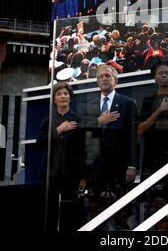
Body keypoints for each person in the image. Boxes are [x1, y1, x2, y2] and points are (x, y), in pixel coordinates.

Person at [81, 64, 138, 194]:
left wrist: (132, 165)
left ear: (115, 80)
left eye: (108, 76)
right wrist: (98, 121)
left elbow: (133, 136)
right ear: (97, 82)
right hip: (95, 167)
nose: (104, 79)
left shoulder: (128, 103)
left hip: (120, 166)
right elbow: (84, 134)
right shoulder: (90, 105)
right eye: (101, 76)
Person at [36, 82, 86, 231]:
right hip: (49, 173)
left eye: (65, 94)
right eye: (59, 94)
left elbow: (83, 150)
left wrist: (83, 176)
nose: (62, 96)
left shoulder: (78, 119)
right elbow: (40, 143)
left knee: (69, 213)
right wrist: (59, 129)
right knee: (48, 213)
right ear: (54, 99)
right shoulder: (48, 120)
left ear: (70, 98)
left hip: (71, 174)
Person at [138, 59, 168, 179]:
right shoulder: (148, 101)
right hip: (152, 157)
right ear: (155, 77)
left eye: (167, 73)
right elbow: (140, 129)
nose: (164, 75)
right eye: (160, 73)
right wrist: (160, 110)